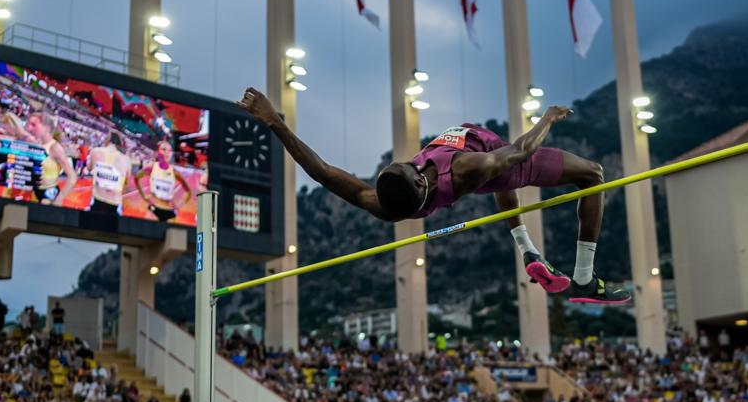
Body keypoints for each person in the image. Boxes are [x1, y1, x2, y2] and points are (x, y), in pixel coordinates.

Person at [237, 86, 629, 304]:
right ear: (419, 180)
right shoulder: (465, 168)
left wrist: (275, 123)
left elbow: (322, 173)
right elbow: (521, 152)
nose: (405, 160)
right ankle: (584, 278)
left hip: (488, 163)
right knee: (592, 175)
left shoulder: (383, 202)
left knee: (500, 178)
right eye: (406, 164)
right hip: (495, 157)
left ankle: (527, 249)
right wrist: (548, 118)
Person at [2, 110, 77, 206]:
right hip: (31, 195)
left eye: (34, 125)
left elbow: (72, 176)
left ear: (46, 127)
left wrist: (59, 199)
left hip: (47, 197)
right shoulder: (34, 144)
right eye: (29, 124)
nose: (29, 128)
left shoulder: (55, 148)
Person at [137, 140, 195, 223]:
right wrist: (143, 196)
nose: (167, 152)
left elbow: (188, 191)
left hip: (169, 211)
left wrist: (179, 205)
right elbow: (137, 178)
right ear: (158, 152)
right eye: (163, 149)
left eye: (169, 150)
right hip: (154, 209)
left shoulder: (174, 172)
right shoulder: (151, 167)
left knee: (172, 235)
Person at [87, 132, 137, 215]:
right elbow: (126, 182)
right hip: (114, 202)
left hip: (97, 198)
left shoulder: (95, 151)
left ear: (108, 140)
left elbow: (89, 168)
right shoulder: (126, 159)